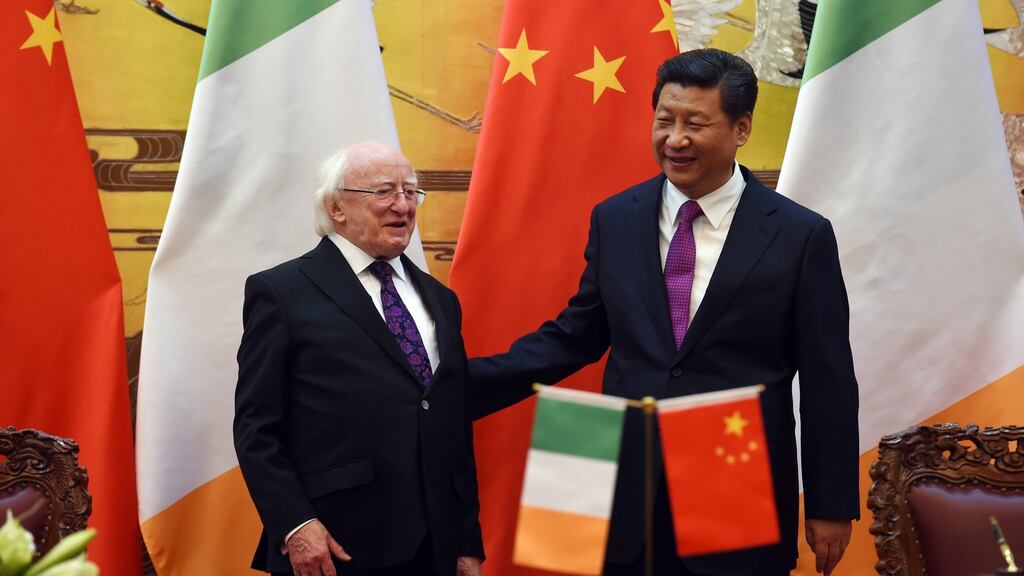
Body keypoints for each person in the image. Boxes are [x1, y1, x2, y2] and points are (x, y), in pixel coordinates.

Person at [469, 49, 859, 576]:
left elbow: (827, 378)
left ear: (741, 128)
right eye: (664, 121)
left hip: (733, 483)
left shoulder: (800, 235)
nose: (675, 139)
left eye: (695, 124)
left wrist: (830, 503)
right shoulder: (616, 218)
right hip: (620, 487)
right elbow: (575, 337)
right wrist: (461, 385)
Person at [233, 142, 483, 576]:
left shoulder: (441, 299)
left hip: (434, 550)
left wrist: (465, 539)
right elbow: (257, 428)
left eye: (411, 192)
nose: (403, 205)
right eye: (384, 191)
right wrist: (295, 525)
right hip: (335, 547)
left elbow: (452, 423)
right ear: (336, 207)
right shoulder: (282, 292)